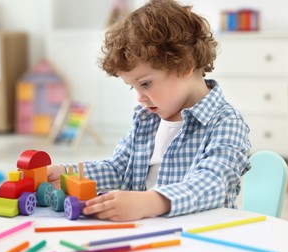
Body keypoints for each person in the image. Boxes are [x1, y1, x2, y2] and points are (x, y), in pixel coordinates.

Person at [47, 0, 251, 222]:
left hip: (203, 237)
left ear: (184, 65)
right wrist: (67, 174)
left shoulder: (226, 122)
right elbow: (117, 169)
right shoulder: (148, 118)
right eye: (132, 87)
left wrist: (150, 202)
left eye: (145, 84)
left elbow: (212, 183)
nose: (139, 97)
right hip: (151, 235)